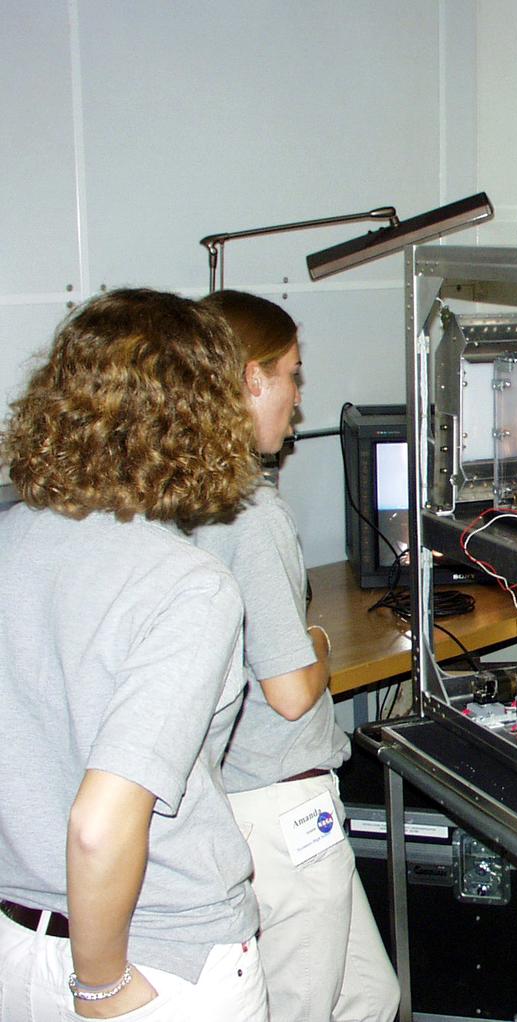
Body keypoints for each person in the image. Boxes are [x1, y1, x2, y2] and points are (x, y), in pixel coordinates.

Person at [0, 289, 268, 1020]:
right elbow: (99, 824)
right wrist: (102, 985)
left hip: (19, 946)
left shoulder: (10, 542)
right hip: (151, 958)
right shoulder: (187, 586)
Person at [193, 290, 400, 1022]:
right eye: (291, 374)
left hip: (236, 794)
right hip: (281, 803)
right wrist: (317, 642)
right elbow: (289, 691)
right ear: (252, 379)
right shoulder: (251, 516)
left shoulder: (182, 498)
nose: (298, 397)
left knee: (371, 996)